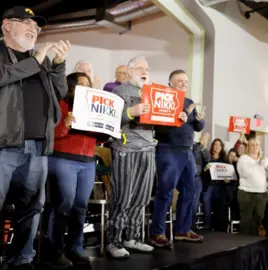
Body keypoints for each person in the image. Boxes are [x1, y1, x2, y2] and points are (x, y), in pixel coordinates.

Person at [0, 6, 70, 270]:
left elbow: (60, 92)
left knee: (31, 209)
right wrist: (37, 60)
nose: (34, 29)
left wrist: (59, 66)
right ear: (7, 25)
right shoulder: (8, 56)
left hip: (38, 146)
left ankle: (21, 259)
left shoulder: (39, 61)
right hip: (4, 145)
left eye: (37, 26)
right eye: (27, 23)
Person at [47, 72, 109, 268]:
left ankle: (75, 248)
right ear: (70, 86)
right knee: (63, 206)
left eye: (87, 83)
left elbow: (98, 138)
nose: (84, 86)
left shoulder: (93, 107)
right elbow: (50, 135)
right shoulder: (60, 104)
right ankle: (55, 251)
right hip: (63, 159)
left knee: (80, 207)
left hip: (88, 161)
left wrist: (107, 129)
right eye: (80, 83)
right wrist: (65, 125)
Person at [106, 56, 156, 259]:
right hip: (126, 149)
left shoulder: (152, 93)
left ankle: (132, 238)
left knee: (141, 198)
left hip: (148, 149)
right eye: (140, 68)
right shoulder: (119, 91)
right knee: (123, 197)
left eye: (147, 68)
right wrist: (130, 111)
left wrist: (176, 118)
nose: (145, 71)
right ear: (130, 70)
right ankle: (114, 241)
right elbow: (109, 118)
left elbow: (161, 120)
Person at [151, 70, 205, 247]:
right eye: (179, 80)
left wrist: (198, 118)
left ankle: (183, 230)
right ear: (170, 83)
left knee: (190, 191)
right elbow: (158, 126)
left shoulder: (189, 102)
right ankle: (157, 233)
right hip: (168, 150)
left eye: (186, 81)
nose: (183, 83)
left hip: (187, 151)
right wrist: (179, 116)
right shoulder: (163, 99)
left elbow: (198, 127)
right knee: (165, 192)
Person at [237, 138, 268, 236]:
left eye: (257, 145)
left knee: (257, 219)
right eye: (252, 145)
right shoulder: (243, 158)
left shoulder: (264, 159)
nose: (255, 147)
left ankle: (253, 243)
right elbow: (245, 173)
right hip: (246, 192)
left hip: (261, 193)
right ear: (248, 147)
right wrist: (257, 164)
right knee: (246, 219)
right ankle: (243, 244)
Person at [191, 132, 210, 230]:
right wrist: (201, 144)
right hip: (189, 177)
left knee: (195, 203)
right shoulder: (194, 146)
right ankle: (186, 227)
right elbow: (193, 155)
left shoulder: (203, 148)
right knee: (188, 203)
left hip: (198, 179)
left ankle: (192, 227)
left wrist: (205, 146)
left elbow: (208, 160)